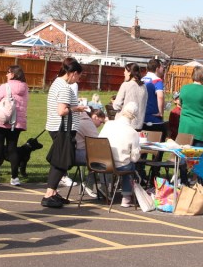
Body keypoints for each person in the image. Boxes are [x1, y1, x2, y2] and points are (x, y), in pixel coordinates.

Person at [42, 59, 88, 208]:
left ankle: (53, 192)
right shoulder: (65, 88)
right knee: (61, 161)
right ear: (73, 73)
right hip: (63, 129)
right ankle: (49, 194)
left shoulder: (57, 83)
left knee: (59, 159)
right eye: (78, 76)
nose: (78, 79)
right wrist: (77, 109)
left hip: (56, 126)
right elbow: (62, 111)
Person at [0, 65, 29, 186]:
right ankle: (15, 177)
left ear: (13, 74)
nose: (6, 74)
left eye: (8, 72)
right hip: (16, 122)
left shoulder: (5, 86)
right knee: (12, 149)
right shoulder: (25, 88)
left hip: (0, 120)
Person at [98, 102, 143, 208]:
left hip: (102, 163)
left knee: (126, 164)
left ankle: (105, 186)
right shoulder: (133, 132)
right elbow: (135, 158)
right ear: (134, 117)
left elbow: (98, 142)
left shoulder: (108, 124)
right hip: (120, 166)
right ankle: (126, 197)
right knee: (131, 165)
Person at [177, 66, 203, 146]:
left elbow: (180, 103)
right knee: (198, 152)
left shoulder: (184, 88)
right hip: (201, 128)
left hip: (185, 126)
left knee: (183, 152)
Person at [74, 107, 107, 198]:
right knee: (106, 158)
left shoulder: (81, 119)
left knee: (99, 157)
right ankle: (104, 187)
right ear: (95, 117)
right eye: (101, 122)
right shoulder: (87, 123)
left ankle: (90, 184)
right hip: (79, 153)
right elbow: (98, 142)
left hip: (75, 151)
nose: (101, 125)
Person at [112, 62, 146, 131]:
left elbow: (116, 105)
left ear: (130, 72)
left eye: (125, 71)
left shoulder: (126, 85)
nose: (124, 73)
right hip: (139, 125)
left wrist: (114, 102)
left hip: (124, 124)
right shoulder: (144, 87)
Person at [141, 58, 167, 137]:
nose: (163, 69)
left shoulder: (142, 80)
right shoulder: (157, 81)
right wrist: (161, 112)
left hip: (142, 118)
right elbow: (160, 96)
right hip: (154, 118)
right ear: (157, 69)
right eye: (162, 67)